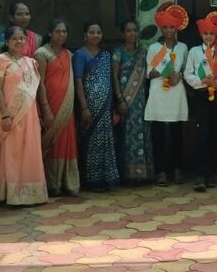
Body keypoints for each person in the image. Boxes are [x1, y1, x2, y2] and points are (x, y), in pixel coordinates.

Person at [0, 25, 49, 205]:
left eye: (22, 38)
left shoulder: (31, 62)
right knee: (11, 151)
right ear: (7, 42)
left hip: (29, 116)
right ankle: (9, 194)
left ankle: (31, 194)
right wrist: (6, 115)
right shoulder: (0, 61)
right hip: (10, 115)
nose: (19, 41)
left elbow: (35, 92)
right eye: (14, 38)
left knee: (30, 150)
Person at [185, 15, 217, 192]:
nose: (209, 37)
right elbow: (187, 75)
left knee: (214, 133)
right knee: (202, 134)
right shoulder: (194, 52)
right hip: (201, 96)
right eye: (205, 34)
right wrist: (203, 82)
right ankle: (199, 174)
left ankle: (211, 172)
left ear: (216, 35)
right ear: (201, 35)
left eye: (212, 34)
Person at [36, 19, 81, 195]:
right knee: (52, 143)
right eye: (58, 31)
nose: (61, 35)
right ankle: (51, 184)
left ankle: (68, 183)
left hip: (66, 107)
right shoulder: (42, 53)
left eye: (64, 32)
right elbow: (40, 83)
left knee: (66, 142)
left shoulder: (69, 54)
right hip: (50, 105)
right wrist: (45, 108)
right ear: (50, 33)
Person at [144, 10, 189, 186]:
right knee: (158, 134)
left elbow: (187, 70)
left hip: (176, 93)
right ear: (161, 30)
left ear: (176, 28)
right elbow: (149, 72)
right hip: (158, 93)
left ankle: (177, 169)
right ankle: (160, 172)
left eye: (172, 27)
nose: (169, 31)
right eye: (165, 28)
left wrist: (179, 76)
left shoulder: (183, 48)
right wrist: (162, 71)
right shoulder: (154, 49)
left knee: (177, 134)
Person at [75, 21, 120, 191]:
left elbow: (110, 80)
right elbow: (78, 81)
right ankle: (90, 180)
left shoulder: (106, 56)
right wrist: (84, 107)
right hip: (89, 108)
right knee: (90, 142)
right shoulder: (80, 55)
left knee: (105, 143)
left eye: (98, 32)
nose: (95, 35)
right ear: (85, 35)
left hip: (105, 107)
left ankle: (106, 178)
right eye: (92, 32)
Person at [112, 20, 154, 185]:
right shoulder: (118, 53)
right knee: (126, 137)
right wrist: (120, 100)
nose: (132, 34)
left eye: (135, 30)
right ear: (123, 34)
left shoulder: (143, 53)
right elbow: (114, 77)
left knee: (142, 134)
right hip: (125, 101)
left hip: (141, 103)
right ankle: (127, 175)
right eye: (128, 31)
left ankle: (143, 174)